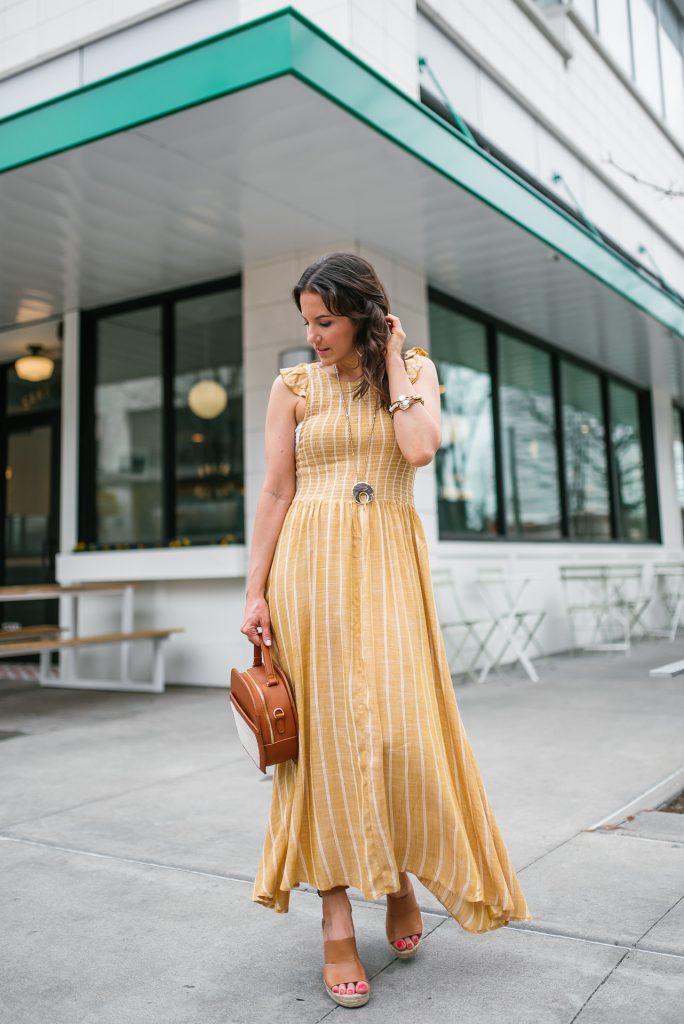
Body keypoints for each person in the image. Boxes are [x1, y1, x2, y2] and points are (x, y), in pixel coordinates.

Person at [241, 252, 532, 1008]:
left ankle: (398, 874)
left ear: (364, 316)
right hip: (308, 572)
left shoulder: (415, 372)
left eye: (326, 322)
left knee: (401, 733)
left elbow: (419, 449)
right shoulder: (294, 387)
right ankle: (336, 919)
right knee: (328, 746)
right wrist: (254, 592)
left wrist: (397, 362)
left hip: (388, 568)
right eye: (306, 322)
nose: (313, 337)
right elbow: (276, 489)